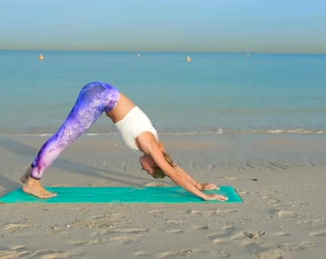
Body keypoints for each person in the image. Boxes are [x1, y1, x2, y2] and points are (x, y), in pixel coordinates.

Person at [20, 81, 228, 201]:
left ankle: (32, 172)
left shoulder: (158, 145)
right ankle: (33, 182)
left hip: (102, 92)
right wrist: (204, 197)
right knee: (62, 139)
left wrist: (199, 184)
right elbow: (172, 172)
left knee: (63, 137)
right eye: (148, 170)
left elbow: (173, 166)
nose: (144, 169)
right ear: (153, 162)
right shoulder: (150, 145)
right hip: (101, 96)